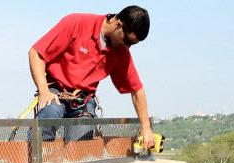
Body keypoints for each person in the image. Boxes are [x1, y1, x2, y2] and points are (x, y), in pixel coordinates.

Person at [28, 5, 154, 148]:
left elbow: (137, 90)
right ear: (118, 24)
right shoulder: (76, 23)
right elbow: (36, 53)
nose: (128, 47)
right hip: (56, 92)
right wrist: (44, 90)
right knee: (51, 112)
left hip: (83, 101)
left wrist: (146, 127)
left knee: (80, 148)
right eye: (127, 41)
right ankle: (34, 157)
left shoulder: (121, 52)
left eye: (132, 44)